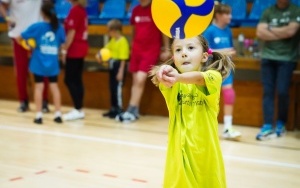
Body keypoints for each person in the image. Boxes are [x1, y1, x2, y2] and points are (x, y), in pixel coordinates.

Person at [149, 35, 232, 187]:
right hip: (179, 159)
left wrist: (178, 76)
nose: (184, 53)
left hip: (205, 159)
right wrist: (163, 70)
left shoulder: (213, 77)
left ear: (204, 56)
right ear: (174, 58)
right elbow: (163, 79)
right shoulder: (173, 84)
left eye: (191, 48)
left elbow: (199, 78)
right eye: (178, 50)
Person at [115, 0, 171, 123]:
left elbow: (163, 30)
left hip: (151, 50)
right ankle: (134, 111)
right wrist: (132, 46)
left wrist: (166, 48)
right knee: (135, 81)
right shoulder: (135, 10)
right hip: (137, 50)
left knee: (140, 79)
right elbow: (134, 30)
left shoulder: (155, 10)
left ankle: (130, 109)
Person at [255, 0, 300, 140]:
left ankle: (281, 123)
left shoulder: (295, 10)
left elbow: (291, 31)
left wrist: (270, 29)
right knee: (267, 92)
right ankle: (268, 124)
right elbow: (260, 33)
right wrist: (283, 32)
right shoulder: (268, 11)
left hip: (287, 58)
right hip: (268, 57)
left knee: (282, 91)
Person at [17, 1, 65, 124]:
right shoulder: (59, 27)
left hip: (38, 62)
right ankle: (58, 114)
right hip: (53, 63)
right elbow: (62, 44)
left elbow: (19, 37)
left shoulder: (37, 26)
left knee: (39, 87)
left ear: (42, 13)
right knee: (54, 87)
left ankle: (38, 115)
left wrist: (27, 45)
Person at [0, 0, 50, 113]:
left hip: (37, 34)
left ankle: (44, 101)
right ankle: (23, 101)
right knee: (21, 70)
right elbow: (2, 5)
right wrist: (7, 18)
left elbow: (48, 3)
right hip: (18, 34)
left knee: (41, 69)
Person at [202, 2, 241, 139]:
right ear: (218, 15)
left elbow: (230, 48)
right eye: (227, 14)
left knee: (229, 95)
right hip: (212, 69)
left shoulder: (228, 30)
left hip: (226, 69)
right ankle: (206, 127)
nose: (230, 16)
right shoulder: (210, 31)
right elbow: (204, 51)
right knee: (210, 99)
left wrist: (232, 52)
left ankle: (227, 128)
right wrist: (223, 52)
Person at [96, 19, 130, 119]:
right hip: (112, 66)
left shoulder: (123, 41)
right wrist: (99, 55)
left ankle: (119, 109)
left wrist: (120, 71)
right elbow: (106, 49)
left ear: (115, 31)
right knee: (112, 88)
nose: (108, 33)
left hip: (119, 67)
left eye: (109, 31)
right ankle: (113, 108)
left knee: (117, 89)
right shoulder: (113, 40)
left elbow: (124, 59)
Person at [62, 0, 89, 121]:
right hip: (80, 48)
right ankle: (79, 108)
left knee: (70, 79)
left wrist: (64, 50)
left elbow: (71, 33)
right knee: (76, 79)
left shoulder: (75, 10)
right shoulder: (80, 10)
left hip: (75, 49)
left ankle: (78, 108)